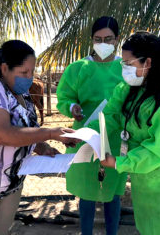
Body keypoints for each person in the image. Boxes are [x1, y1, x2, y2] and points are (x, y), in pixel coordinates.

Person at [94, 32, 160, 235]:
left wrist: (118, 162)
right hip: (144, 179)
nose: (124, 69)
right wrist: (85, 134)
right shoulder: (132, 88)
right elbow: (110, 116)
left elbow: (158, 151)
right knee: (148, 228)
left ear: (148, 62)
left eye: (128, 63)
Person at [0, 40, 79, 235]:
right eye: (23, 73)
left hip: (11, 182)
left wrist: (42, 146)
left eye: (32, 72)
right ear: (4, 68)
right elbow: (2, 134)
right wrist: (51, 133)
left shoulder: (21, 92)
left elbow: (26, 129)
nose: (29, 78)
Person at [57, 16, 127, 235]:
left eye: (108, 38)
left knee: (113, 193)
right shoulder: (78, 68)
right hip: (85, 136)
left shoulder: (125, 68)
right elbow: (64, 98)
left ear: (117, 39)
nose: (103, 43)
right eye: (98, 39)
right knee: (87, 191)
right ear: (91, 39)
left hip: (116, 139)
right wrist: (72, 107)